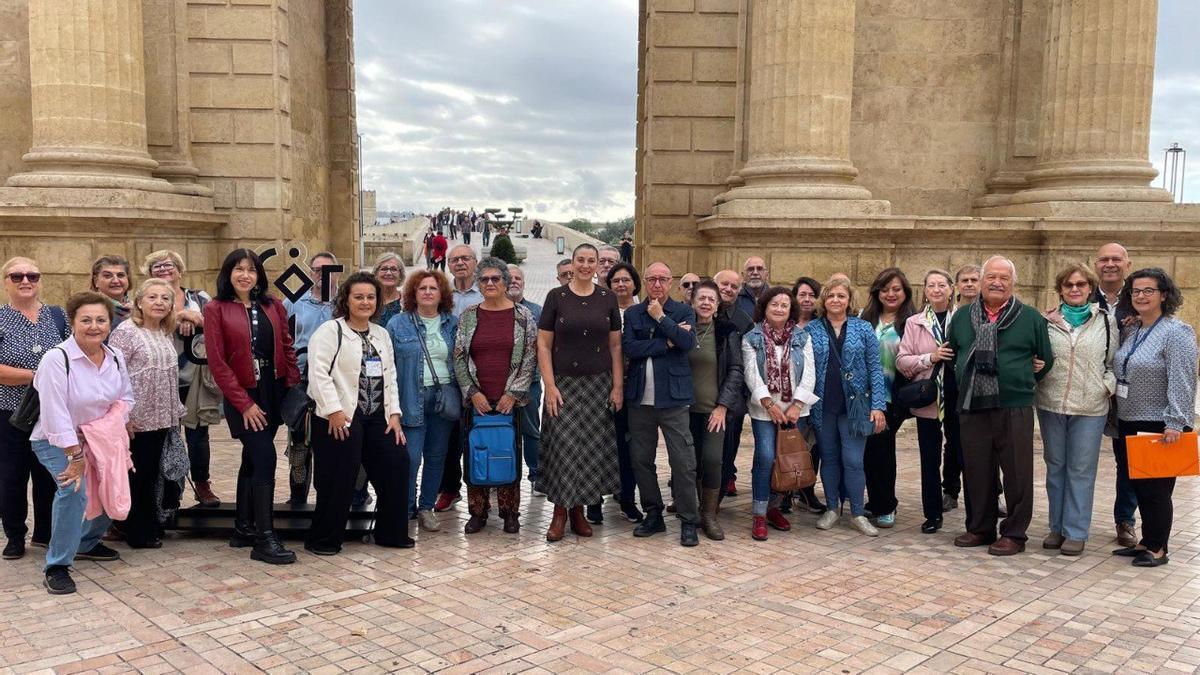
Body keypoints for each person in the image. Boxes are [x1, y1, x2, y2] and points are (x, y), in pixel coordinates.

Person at [948, 256, 1053, 556]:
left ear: (1013, 283)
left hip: (1014, 404)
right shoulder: (962, 317)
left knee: (1017, 471)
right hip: (973, 405)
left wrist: (1019, 380)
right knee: (977, 468)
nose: (997, 282)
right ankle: (980, 528)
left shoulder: (1030, 318)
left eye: (1004, 278)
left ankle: (1014, 534)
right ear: (982, 281)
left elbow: (1046, 360)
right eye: (991, 277)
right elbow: (953, 352)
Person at [30, 292, 133, 594]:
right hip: (56, 441)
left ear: (109, 323)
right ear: (72, 322)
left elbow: (126, 398)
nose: (94, 326)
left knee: (110, 483)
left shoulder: (115, 356)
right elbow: (55, 415)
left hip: (100, 438)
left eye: (101, 320)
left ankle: (86, 543)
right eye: (86, 320)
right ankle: (57, 565)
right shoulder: (56, 359)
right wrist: (76, 457)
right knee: (73, 491)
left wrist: (106, 429)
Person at [204, 249, 301, 565]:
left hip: (272, 390)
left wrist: (292, 388)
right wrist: (244, 404)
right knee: (265, 457)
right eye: (239, 269)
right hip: (242, 394)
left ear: (258, 274)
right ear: (228, 273)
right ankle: (264, 538)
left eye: (251, 269)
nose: (245, 275)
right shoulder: (215, 309)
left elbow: (286, 346)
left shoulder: (273, 306)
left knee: (252, 458)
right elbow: (218, 364)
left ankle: (243, 527)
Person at [305, 272, 411, 554]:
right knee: (338, 477)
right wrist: (334, 411)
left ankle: (391, 533)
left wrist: (394, 414)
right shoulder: (330, 331)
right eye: (359, 297)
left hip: (378, 416)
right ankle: (324, 539)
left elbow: (390, 376)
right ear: (346, 300)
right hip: (340, 416)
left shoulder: (381, 334)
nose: (365, 302)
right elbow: (318, 374)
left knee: (397, 463)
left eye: (370, 297)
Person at [1111, 268, 1197, 567]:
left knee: (1156, 490)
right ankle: (1146, 541)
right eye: (1136, 291)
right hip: (1128, 419)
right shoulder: (1133, 329)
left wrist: (1176, 421)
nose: (1141, 296)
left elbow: (1183, 379)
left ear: (1164, 295)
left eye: (1148, 290)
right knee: (1137, 485)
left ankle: (1158, 548)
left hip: (1158, 423)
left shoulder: (1176, 332)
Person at [538, 244, 623, 542]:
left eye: (591, 261)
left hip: (598, 385)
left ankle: (579, 512)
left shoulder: (607, 298)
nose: (586, 265)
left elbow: (615, 345)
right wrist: (550, 386)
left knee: (588, 450)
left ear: (598, 265)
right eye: (581, 260)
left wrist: (617, 386)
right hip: (563, 384)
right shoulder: (556, 297)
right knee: (563, 449)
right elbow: (543, 345)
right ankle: (560, 512)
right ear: (572, 263)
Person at [1034, 264, 1117, 556]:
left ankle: (1076, 531)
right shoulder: (1045, 321)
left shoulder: (1105, 321)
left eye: (1081, 284)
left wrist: (1105, 386)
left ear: (1090, 288)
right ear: (1060, 289)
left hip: (1090, 407)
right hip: (1051, 403)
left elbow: (1113, 363)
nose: (1074, 289)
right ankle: (1056, 527)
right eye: (1068, 284)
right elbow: (1036, 356)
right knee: (1056, 467)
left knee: (1081, 470)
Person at [453, 258, 538, 534]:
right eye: (484, 279)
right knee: (476, 452)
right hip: (477, 400)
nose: (490, 283)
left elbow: (530, 357)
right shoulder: (468, 316)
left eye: (495, 279)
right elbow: (459, 357)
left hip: (509, 401)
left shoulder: (523, 316)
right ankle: (478, 512)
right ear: (478, 284)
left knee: (507, 452)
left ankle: (510, 512)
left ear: (505, 282)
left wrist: (513, 394)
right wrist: (472, 392)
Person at [623, 262, 700, 546]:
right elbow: (630, 348)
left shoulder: (683, 311)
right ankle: (653, 513)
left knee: (683, 462)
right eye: (652, 279)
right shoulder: (633, 313)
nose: (657, 284)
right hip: (639, 399)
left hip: (674, 399)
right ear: (644, 282)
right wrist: (666, 342)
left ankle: (688, 519)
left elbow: (687, 342)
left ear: (670, 282)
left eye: (663, 279)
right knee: (641, 460)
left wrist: (661, 318)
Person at [107, 279, 185, 549]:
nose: (159, 303)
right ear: (139, 301)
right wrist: (123, 417)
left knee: (154, 474)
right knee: (137, 476)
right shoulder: (126, 332)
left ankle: (151, 524)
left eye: (165, 298)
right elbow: (113, 376)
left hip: (163, 417)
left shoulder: (164, 332)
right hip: (137, 419)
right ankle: (136, 532)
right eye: (152, 297)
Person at [808, 276, 887, 536]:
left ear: (849, 300)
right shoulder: (812, 329)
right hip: (823, 406)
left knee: (853, 460)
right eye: (830, 295)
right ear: (824, 300)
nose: (835, 300)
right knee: (829, 458)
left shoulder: (863, 328)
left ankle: (857, 513)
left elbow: (875, 368)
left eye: (841, 296)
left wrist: (878, 406)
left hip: (856, 407)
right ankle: (832, 508)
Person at [0, 257, 68, 560]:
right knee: (12, 476)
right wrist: (39, 376)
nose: (25, 281)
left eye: (32, 275)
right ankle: (15, 535)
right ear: (6, 283)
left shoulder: (57, 315)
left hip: (51, 411)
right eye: (17, 276)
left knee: (49, 474)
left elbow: (71, 356)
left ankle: (46, 533)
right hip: (9, 412)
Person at [741, 286, 817, 540]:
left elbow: (809, 373)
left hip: (796, 411)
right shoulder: (752, 337)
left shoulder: (802, 337)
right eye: (774, 304)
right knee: (765, 456)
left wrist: (797, 405)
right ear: (765, 307)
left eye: (784, 305)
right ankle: (759, 514)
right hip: (764, 410)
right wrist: (769, 404)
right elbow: (751, 373)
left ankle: (774, 508)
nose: (779, 309)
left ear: (790, 309)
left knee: (786, 458)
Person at [144, 249, 219, 508]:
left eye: (169, 265)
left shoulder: (198, 297)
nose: (164, 269)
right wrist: (182, 316)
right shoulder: (148, 298)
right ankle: (170, 492)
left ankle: (202, 484)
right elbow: (147, 322)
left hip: (194, 374)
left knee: (198, 434)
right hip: (161, 378)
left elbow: (216, 323)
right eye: (157, 266)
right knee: (167, 437)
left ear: (180, 270)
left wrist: (195, 317)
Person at [387, 271, 458, 533]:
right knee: (410, 458)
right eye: (422, 288)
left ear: (442, 294)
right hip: (410, 397)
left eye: (433, 288)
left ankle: (426, 507)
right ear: (413, 294)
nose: (428, 292)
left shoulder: (453, 323)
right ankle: (406, 507)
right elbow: (388, 366)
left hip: (443, 400)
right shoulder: (398, 323)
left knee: (436, 457)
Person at [897, 269, 959, 534]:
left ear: (951, 289)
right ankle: (933, 514)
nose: (936, 289)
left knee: (962, 454)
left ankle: (966, 503)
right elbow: (902, 361)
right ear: (924, 290)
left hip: (959, 397)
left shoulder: (963, 318)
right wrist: (930, 358)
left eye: (941, 285)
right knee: (929, 459)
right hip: (929, 398)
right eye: (931, 285)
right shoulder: (915, 322)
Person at [685, 280, 744, 540]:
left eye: (711, 299)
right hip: (684, 411)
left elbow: (736, 369)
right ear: (692, 301)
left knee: (711, 460)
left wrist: (722, 406)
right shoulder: (682, 329)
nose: (706, 303)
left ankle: (709, 514)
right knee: (689, 462)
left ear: (718, 305)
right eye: (702, 298)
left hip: (714, 412)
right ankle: (691, 511)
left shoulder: (726, 331)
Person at [858, 268, 916, 529]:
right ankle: (875, 501)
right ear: (877, 292)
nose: (890, 294)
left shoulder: (912, 322)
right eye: (885, 289)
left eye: (896, 289)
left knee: (882, 450)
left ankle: (886, 505)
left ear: (905, 292)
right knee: (869, 451)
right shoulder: (865, 318)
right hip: (864, 396)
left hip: (893, 397)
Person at [1091, 242, 1138, 547]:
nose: (1110, 264)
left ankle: (1125, 520)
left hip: (1128, 392)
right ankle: (1071, 519)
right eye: (1104, 259)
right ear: (1096, 264)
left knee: (1128, 459)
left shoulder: (1139, 297)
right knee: (1080, 458)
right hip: (1090, 387)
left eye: (1116, 259)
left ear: (1127, 264)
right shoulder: (1081, 294)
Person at [589, 262, 643, 524]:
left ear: (635, 284)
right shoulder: (599, 309)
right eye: (615, 281)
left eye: (626, 280)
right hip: (601, 384)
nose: (621, 285)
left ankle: (627, 499)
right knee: (597, 444)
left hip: (635, 388)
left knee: (628, 446)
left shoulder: (644, 311)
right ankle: (593, 501)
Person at [283, 251, 338, 506]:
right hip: (302, 381)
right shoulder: (293, 302)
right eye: (317, 270)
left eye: (328, 270)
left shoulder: (344, 302)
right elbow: (283, 339)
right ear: (310, 273)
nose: (322, 275)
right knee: (299, 441)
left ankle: (329, 499)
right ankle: (297, 498)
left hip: (335, 382)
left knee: (331, 441)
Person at [432, 245, 482, 512]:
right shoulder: (441, 293)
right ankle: (449, 489)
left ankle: (482, 488)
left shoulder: (486, 290)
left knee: (479, 435)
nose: (460, 263)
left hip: (481, 376)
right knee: (449, 438)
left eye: (465, 258)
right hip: (448, 376)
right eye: (454, 260)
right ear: (448, 265)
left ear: (475, 262)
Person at [943, 263, 982, 512]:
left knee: (988, 441)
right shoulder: (948, 314)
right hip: (954, 382)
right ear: (956, 285)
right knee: (954, 438)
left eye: (974, 280)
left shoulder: (991, 311)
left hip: (984, 383)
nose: (969, 284)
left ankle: (993, 492)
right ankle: (950, 490)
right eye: (964, 280)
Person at [711, 269, 752, 501]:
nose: (728, 289)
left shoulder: (744, 321)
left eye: (734, 286)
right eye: (724, 284)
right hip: (702, 394)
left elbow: (744, 364)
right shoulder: (698, 311)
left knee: (727, 450)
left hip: (732, 398)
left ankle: (717, 498)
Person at [789, 276, 826, 514]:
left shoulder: (822, 326)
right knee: (790, 444)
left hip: (818, 395)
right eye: (802, 294)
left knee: (815, 447)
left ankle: (806, 491)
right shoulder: (785, 322)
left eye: (812, 295)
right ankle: (784, 490)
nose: (807, 299)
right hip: (789, 398)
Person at [507, 265, 544, 491]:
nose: (514, 281)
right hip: (501, 384)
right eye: (509, 278)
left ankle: (536, 473)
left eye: (518, 278)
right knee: (504, 430)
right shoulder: (492, 309)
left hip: (530, 382)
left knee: (531, 430)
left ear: (524, 283)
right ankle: (504, 474)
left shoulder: (537, 311)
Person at [90, 255, 133, 327]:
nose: (115, 281)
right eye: (108, 276)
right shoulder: (88, 309)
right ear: (96, 281)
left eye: (120, 275)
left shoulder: (139, 308)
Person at [373, 252, 406, 327]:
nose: (388, 273)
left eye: (393, 269)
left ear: (400, 275)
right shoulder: (369, 300)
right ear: (376, 274)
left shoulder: (407, 302)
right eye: (384, 269)